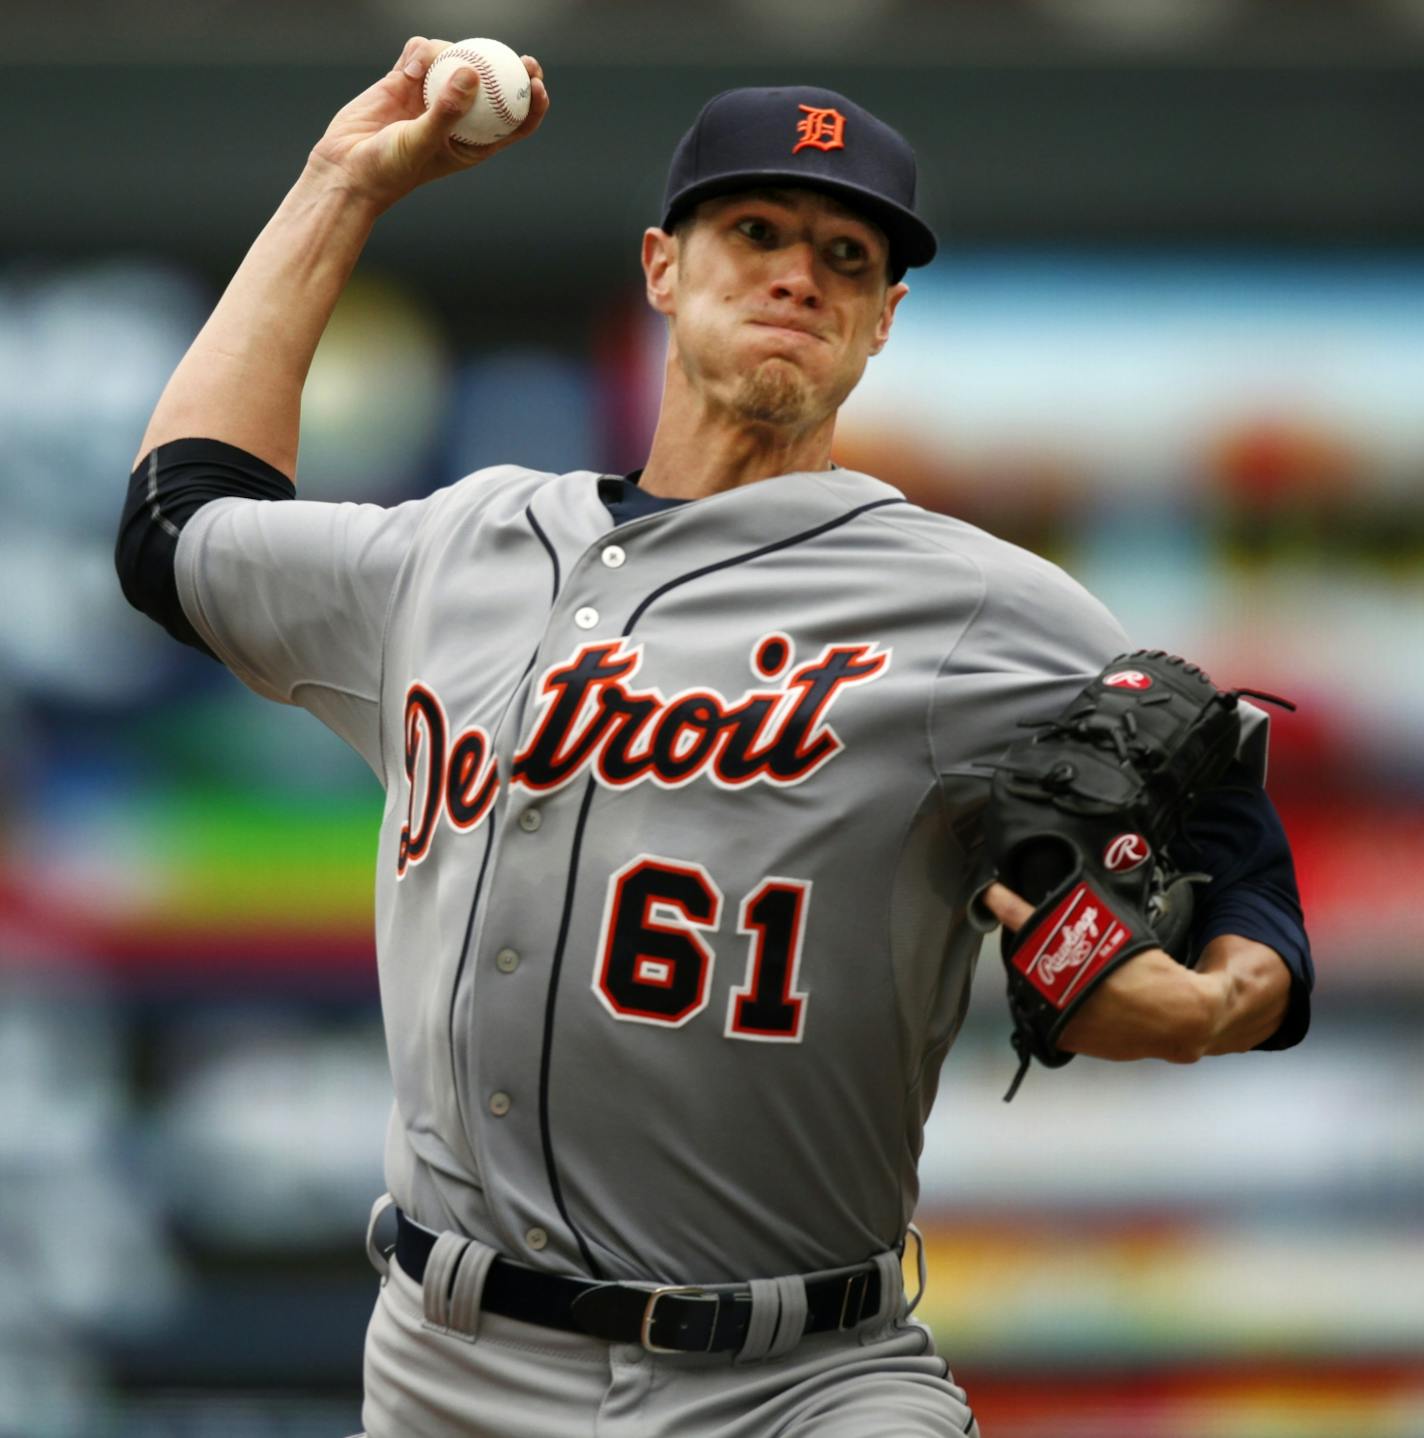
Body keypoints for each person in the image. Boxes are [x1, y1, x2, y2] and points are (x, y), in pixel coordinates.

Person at [117, 38, 1312, 1438]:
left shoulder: (972, 604)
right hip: (454, 1369)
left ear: (881, 326)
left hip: (805, 1376)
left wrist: (1215, 1003)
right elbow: (176, 527)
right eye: (754, 230)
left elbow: (1234, 823)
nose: (799, 272)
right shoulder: (455, 553)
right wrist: (341, 184)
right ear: (661, 269)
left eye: (848, 257)